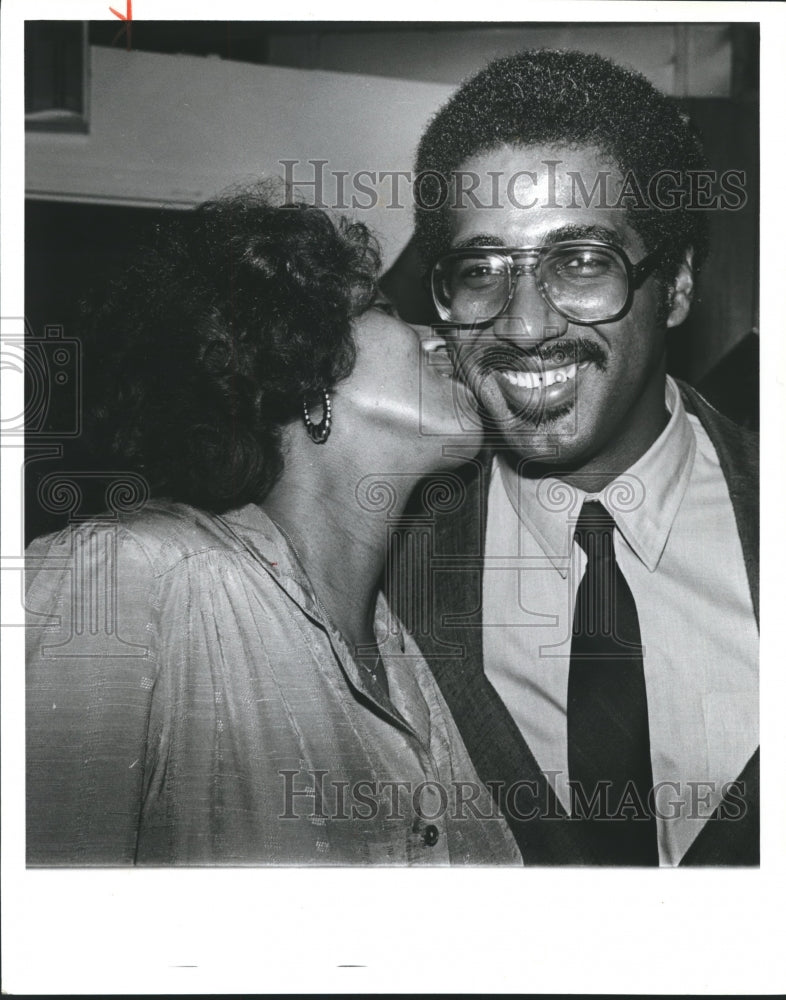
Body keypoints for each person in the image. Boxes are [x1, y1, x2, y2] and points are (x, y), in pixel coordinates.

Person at [25, 188, 521, 866]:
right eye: (383, 308)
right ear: (299, 357)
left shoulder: (407, 662)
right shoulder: (129, 574)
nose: (442, 339)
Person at [391, 49, 758, 866]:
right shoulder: (383, 558)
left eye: (581, 261)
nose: (523, 327)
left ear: (680, 286)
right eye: (481, 269)